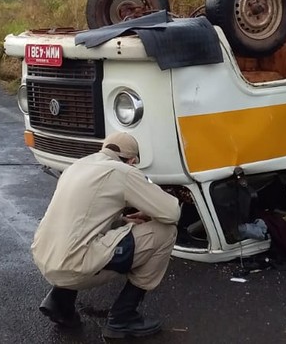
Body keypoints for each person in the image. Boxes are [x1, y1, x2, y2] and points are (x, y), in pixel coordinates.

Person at [31, 132, 181, 338]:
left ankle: (59, 302)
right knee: (166, 232)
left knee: (78, 237)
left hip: (45, 258)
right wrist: (149, 211)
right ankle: (123, 317)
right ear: (132, 160)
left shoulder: (77, 166)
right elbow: (171, 212)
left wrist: (123, 221)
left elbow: (85, 218)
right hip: (74, 267)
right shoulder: (123, 171)